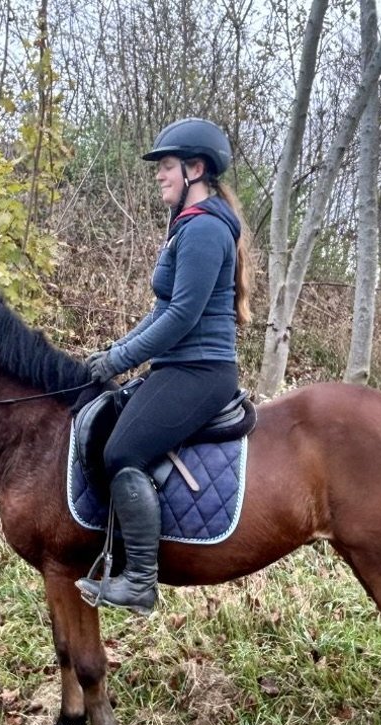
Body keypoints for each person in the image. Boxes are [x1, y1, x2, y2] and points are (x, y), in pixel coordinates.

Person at [76, 117, 254, 616]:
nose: (159, 175)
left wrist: (120, 358)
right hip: (180, 366)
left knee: (123, 451)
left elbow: (182, 317)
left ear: (196, 169)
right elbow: (161, 311)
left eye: (168, 166)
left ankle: (139, 581)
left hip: (200, 372)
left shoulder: (202, 230)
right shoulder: (187, 227)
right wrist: (116, 349)